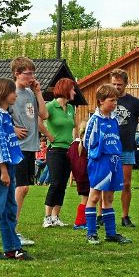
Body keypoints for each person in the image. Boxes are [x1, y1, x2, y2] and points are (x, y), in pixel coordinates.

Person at [0, 78, 33, 260]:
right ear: (3, 93)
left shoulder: (4, 115)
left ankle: (12, 246)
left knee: (10, 207)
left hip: (9, 166)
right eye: (12, 92)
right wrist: (2, 170)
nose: (15, 94)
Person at [83, 85, 132, 245]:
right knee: (95, 196)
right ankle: (91, 233)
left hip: (114, 161)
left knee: (109, 197)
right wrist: (97, 155)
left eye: (116, 100)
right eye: (112, 100)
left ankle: (111, 233)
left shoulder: (114, 119)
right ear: (101, 101)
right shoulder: (94, 120)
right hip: (100, 162)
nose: (114, 103)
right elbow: (86, 142)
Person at [9, 57, 49, 246]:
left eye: (33, 73)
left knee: (23, 190)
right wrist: (12, 129)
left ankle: (12, 228)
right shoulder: (10, 92)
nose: (32, 77)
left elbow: (44, 115)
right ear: (17, 74)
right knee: (21, 188)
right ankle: (11, 230)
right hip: (17, 147)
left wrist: (38, 92)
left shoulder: (30, 93)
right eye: (28, 73)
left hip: (30, 146)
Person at [108, 69, 139, 228]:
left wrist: (135, 121)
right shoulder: (106, 99)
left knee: (126, 183)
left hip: (127, 147)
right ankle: (103, 214)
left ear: (126, 84)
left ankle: (125, 216)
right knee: (106, 182)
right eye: (113, 84)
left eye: (119, 84)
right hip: (109, 148)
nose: (116, 87)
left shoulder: (133, 102)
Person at [39, 78, 77, 227]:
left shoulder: (71, 108)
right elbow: (38, 120)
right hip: (55, 150)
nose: (74, 92)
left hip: (68, 150)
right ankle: (47, 217)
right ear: (66, 89)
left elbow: (74, 126)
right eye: (72, 89)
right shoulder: (50, 106)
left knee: (62, 184)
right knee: (55, 183)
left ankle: (56, 216)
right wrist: (48, 135)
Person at [67, 121, 89, 230]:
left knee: (86, 199)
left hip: (79, 176)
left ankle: (85, 221)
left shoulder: (73, 145)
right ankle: (80, 222)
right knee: (87, 199)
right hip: (87, 175)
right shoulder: (87, 144)